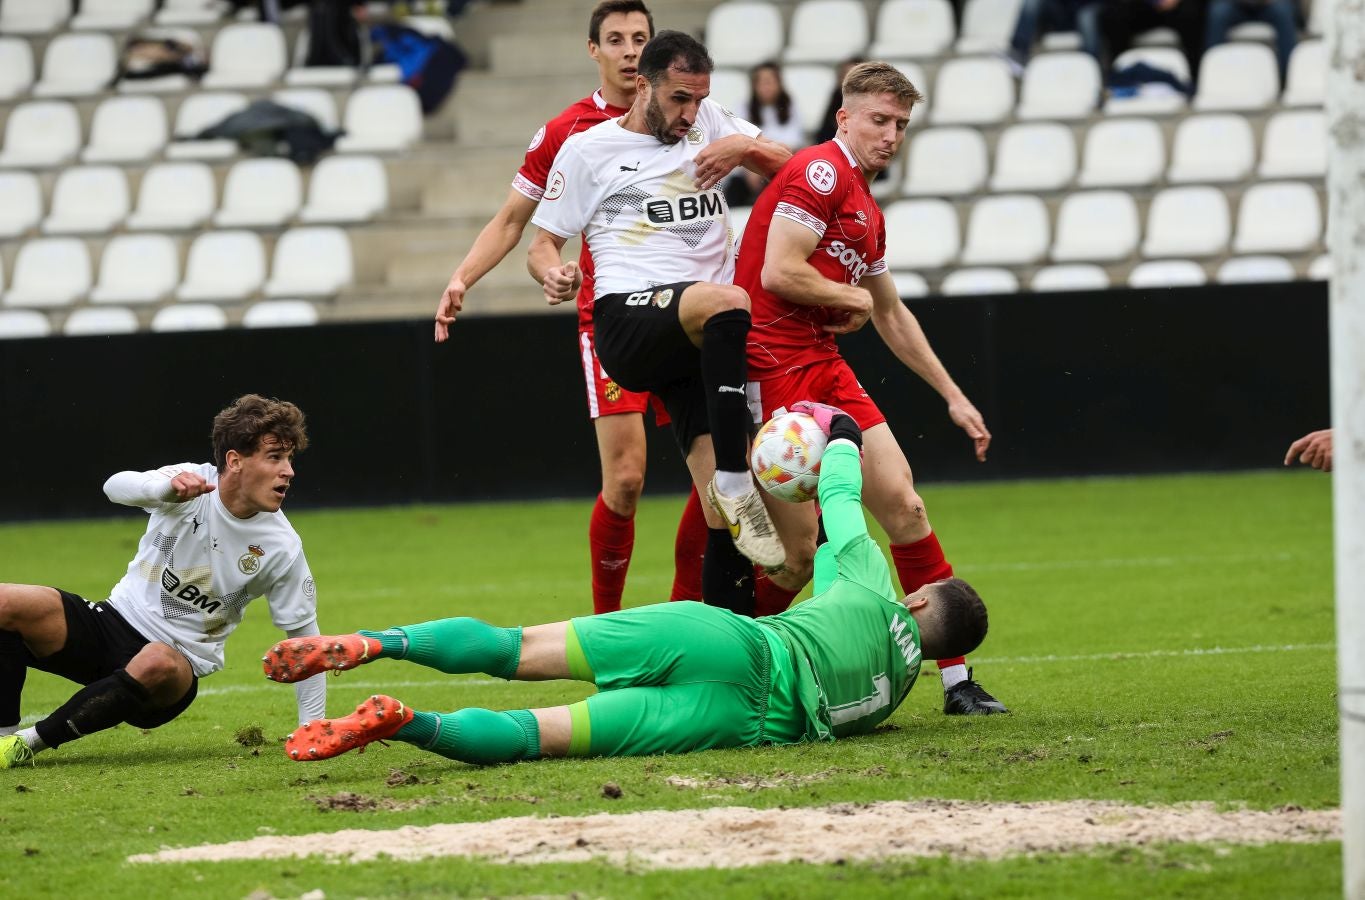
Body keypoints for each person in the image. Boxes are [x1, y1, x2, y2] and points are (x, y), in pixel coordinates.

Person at [262, 403, 990, 765]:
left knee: (517, 649)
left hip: (730, 641)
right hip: (740, 719)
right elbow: (832, 559)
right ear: (936, 655)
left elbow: (840, 502)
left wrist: (841, 433)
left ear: (919, 597)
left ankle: (376, 643)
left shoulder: (871, 583)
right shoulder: (893, 690)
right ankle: (406, 723)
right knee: (543, 735)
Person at [733, 62, 1006, 716]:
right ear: (844, 117)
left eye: (901, 125)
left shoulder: (865, 207)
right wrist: (848, 296)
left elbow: (888, 311)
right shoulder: (820, 173)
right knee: (796, 559)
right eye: (879, 120)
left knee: (906, 509)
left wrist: (952, 394)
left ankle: (956, 682)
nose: (890, 135)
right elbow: (777, 273)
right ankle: (735, 667)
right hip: (770, 364)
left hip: (822, 363)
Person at [431, 2, 709, 614]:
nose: (630, 50)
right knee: (627, 479)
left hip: (691, 311)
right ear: (594, 50)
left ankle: (689, 610)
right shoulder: (570, 132)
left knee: (717, 474)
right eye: (616, 39)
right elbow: (516, 222)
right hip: (619, 319)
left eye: (640, 37)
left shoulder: (696, 114)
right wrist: (464, 276)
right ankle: (606, 625)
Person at [528, 31, 794, 614]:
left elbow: (799, 171)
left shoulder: (711, 121)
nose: (690, 113)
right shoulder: (589, 150)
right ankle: (735, 480)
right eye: (679, 99)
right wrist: (554, 273)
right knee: (728, 302)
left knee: (740, 532)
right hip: (629, 322)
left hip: (699, 341)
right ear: (643, 86)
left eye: (699, 99)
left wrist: (741, 148)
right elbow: (542, 243)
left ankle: (729, 644)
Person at [0, 395, 326, 769]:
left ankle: (25, 744)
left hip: (173, 667)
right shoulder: (190, 483)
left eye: (289, 459)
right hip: (110, 623)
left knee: (157, 659)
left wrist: (312, 727)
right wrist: (163, 491)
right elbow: (114, 486)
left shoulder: (282, 546)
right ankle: (2, 736)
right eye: (275, 457)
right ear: (235, 461)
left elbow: (306, 642)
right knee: (5, 602)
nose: (288, 471)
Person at [724, 61, 805, 208]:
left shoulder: (791, 106)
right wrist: (752, 167)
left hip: (781, 166)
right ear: (754, 86)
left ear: (779, 84)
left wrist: (765, 164)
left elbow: (794, 142)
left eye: (770, 82)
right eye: (761, 82)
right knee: (734, 188)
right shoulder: (742, 107)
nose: (766, 87)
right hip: (747, 169)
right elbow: (738, 142)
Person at [1101, 0, 1207, 86]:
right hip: (1142, 7)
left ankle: (1195, 80)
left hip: (1177, 7)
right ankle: (1119, 78)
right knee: (1114, 15)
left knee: (1192, 13)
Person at [1204, 0, 1298, 85]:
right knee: (1217, 12)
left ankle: (1288, 79)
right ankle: (1213, 77)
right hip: (1234, 5)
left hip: (1269, 6)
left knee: (1284, 11)